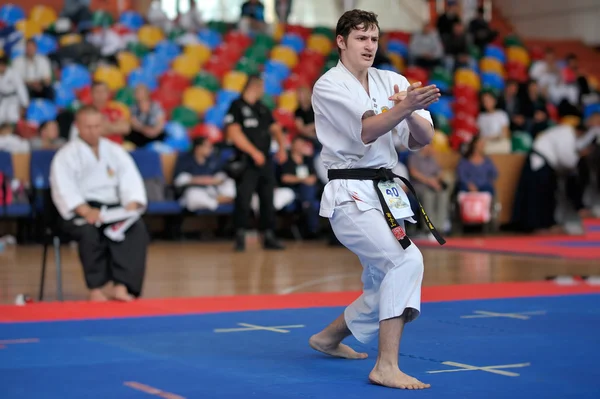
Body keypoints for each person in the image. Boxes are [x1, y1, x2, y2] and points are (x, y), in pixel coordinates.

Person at [308, 9, 441, 390]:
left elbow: (422, 139)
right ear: (341, 41)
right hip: (349, 195)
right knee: (405, 259)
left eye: (374, 39)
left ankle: (328, 338)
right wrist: (403, 106)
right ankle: (386, 365)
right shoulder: (330, 85)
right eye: (361, 38)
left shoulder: (391, 80)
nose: (369, 46)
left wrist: (412, 109)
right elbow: (367, 130)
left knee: (383, 281)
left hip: (386, 191)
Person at [50, 105, 149, 301]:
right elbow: (63, 188)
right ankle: (97, 288)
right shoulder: (66, 155)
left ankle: (122, 285)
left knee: (136, 229)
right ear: (78, 126)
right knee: (90, 232)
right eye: (88, 127)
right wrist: (85, 210)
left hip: (113, 209)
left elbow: (131, 180)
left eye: (97, 126)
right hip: (82, 209)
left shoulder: (115, 151)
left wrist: (131, 203)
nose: (93, 131)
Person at [224, 74, 288, 251]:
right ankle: (240, 235)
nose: (263, 91)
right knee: (243, 200)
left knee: (267, 199)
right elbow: (234, 133)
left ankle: (268, 235)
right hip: (246, 162)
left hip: (265, 161)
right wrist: (253, 152)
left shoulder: (262, 108)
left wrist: (282, 148)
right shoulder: (236, 106)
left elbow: (275, 129)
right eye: (261, 87)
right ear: (254, 86)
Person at [510, 121, 594, 233]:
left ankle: (545, 223)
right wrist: (579, 157)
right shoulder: (567, 134)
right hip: (539, 162)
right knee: (537, 195)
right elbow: (567, 160)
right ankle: (534, 225)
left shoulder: (565, 132)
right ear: (580, 132)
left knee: (547, 195)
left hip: (545, 164)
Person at [173, 137, 235, 212]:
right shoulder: (185, 159)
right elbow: (179, 180)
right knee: (192, 196)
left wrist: (213, 180)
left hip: (211, 190)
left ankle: (219, 200)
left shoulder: (212, 160)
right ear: (198, 148)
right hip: (193, 191)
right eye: (208, 147)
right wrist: (201, 180)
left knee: (230, 183)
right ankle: (217, 201)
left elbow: (221, 176)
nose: (210, 149)